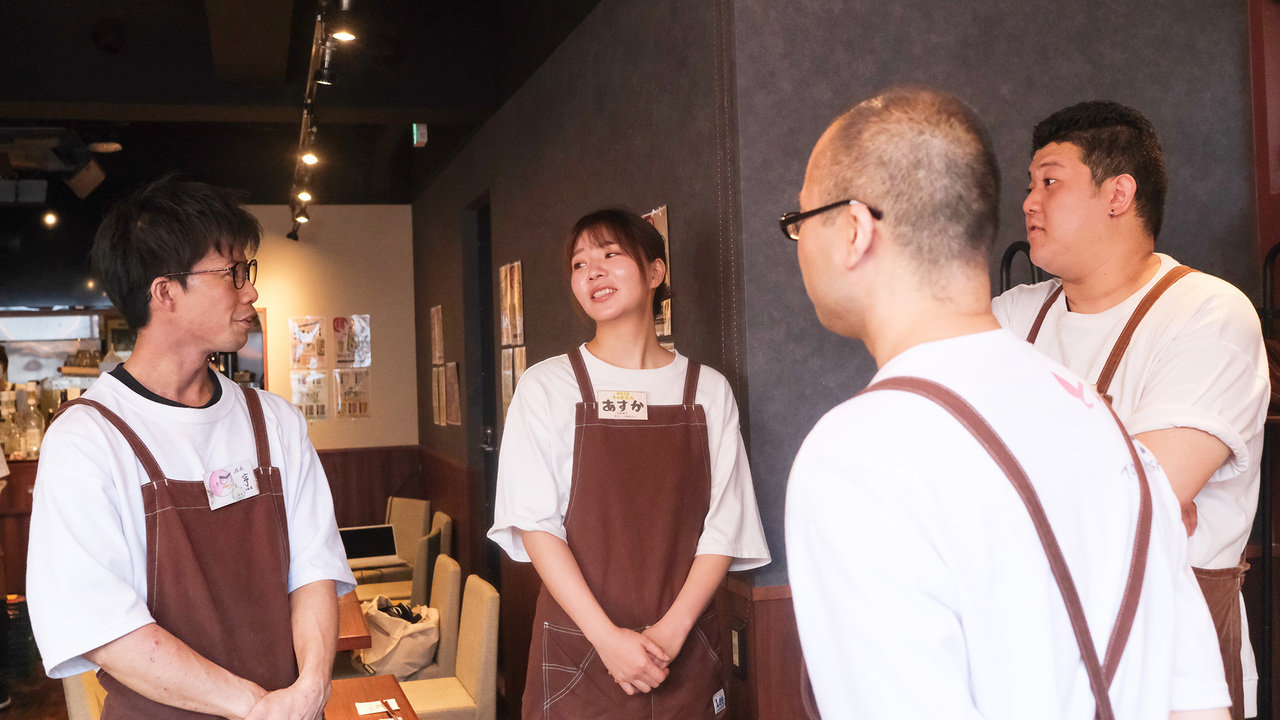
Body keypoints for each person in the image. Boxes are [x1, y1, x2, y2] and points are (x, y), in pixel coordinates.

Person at [785, 86, 1230, 719]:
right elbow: (1197, 704)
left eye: (800, 220)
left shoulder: (855, 455)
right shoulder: (1104, 427)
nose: (798, 239)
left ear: (855, 231)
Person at [26, 177, 356, 720]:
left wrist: (311, 688)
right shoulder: (88, 439)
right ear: (165, 293)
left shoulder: (275, 421)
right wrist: (255, 706)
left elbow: (314, 568)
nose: (251, 292)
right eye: (233, 273)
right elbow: (103, 626)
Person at [993, 101, 1269, 719]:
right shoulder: (1011, 317)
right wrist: (1112, 482)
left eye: (1050, 181)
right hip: (1034, 648)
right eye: (1030, 184)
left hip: (1172, 663)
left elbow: (1137, 503)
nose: (1029, 202)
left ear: (1118, 194)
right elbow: (924, 463)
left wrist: (1122, 494)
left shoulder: (1207, 313)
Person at [488, 208, 770, 718]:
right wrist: (608, 639)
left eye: (610, 254)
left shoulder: (708, 390)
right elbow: (535, 525)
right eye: (579, 263)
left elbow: (725, 526)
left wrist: (671, 633)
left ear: (655, 271)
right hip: (579, 652)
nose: (592, 271)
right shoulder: (546, 386)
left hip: (684, 650)